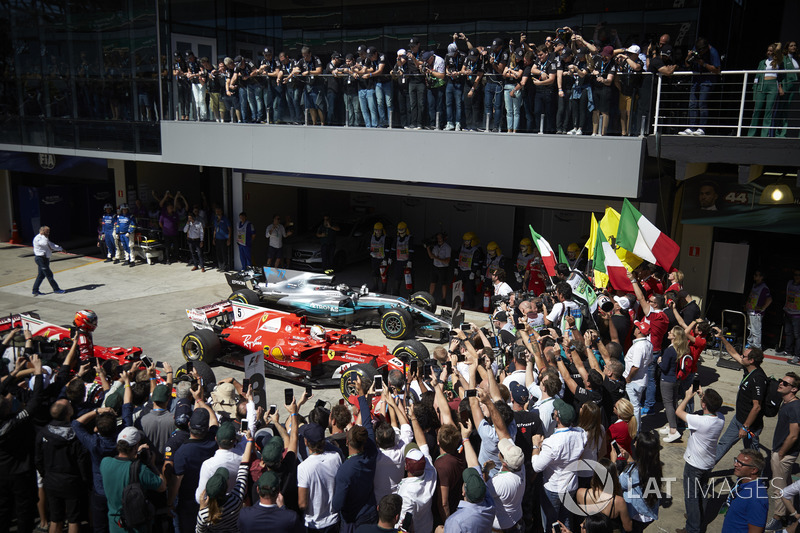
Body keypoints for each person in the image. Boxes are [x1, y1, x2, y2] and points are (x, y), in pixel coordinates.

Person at [0, 354, 44, 533]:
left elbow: (2, 387)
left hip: (2, 475)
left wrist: (16, 371)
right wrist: (39, 371)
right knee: (24, 514)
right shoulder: (15, 422)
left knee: (3, 513)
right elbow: (35, 400)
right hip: (21, 475)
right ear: (7, 408)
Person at [713, 329, 768, 463]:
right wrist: (722, 338)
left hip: (750, 425)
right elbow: (733, 353)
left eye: (744, 356)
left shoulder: (758, 379)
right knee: (723, 444)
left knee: (752, 456)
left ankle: (756, 480)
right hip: (738, 419)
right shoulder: (748, 369)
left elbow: (756, 407)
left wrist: (745, 427)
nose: (741, 357)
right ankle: (705, 470)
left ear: (751, 360)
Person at [531, 398, 585, 531]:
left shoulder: (552, 442)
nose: (553, 411)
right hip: (571, 486)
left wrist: (536, 446)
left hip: (553, 488)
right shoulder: (581, 434)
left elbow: (537, 466)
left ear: (558, 418)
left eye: (555, 411)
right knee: (566, 519)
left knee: (551, 525)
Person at [675, 386, 724, 533]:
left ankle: (692, 528)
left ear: (704, 405)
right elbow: (710, 408)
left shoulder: (699, 421)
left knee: (691, 497)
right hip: (708, 463)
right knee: (702, 492)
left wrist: (688, 397)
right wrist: (703, 395)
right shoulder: (720, 418)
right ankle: (696, 517)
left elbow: (679, 411)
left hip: (694, 465)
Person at [100, 426, 167, 532]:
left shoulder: (105, 463)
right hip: (136, 526)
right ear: (136, 446)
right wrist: (152, 465)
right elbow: (162, 486)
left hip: (115, 525)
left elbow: (121, 464)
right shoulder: (141, 470)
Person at [196, 431, 254, 533]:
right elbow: (243, 469)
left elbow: (200, 531)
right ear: (227, 487)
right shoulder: (236, 500)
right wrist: (249, 440)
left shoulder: (204, 514)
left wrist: (201, 508)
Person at [765, 373, 800, 531]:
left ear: (794, 389)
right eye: (781, 381)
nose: (780, 384)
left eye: (785, 383)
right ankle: (789, 512)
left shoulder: (794, 407)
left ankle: (778, 517)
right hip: (782, 450)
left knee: (779, 487)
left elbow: (793, 435)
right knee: (785, 483)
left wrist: (780, 453)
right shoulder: (787, 403)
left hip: (784, 453)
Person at [297, 423, 342, 532]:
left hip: (314, 525)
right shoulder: (336, 457)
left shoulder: (303, 467)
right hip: (334, 521)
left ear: (306, 442)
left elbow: (302, 504)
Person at [619, 430, 663, 531]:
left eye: (636, 441)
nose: (634, 443)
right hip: (649, 512)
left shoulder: (633, 472)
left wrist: (613, 461)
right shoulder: (656, 466)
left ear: (640, 450)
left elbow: (620, 483)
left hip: (636, 514)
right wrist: (630, 460)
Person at [237, 471, 305, 532]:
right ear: (278, 491)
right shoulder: (290, 517)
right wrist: (283, 508)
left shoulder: (244, 515)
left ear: (257, 490)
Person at [679, 37, 721, 136]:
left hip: (707, 80)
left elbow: (717, 69)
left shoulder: (713, 52)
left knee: (702, 103)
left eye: (700, 51)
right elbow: (687, 64)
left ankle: (702, 128)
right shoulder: (695, 49)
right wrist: (689, 57)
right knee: (692, 104)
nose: (698, 53)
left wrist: (703, 63)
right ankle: (691, 127)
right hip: (696, 80)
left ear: (705, 49)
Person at [720, 449, 769, 533]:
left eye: (740, 464)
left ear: (754, 470)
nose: (735, 464)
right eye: (736, 460)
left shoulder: (756, 498)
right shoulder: (742, 481)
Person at [658, 326, 688, 443]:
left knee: (668, 405)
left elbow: (664, 368)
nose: (668, 332)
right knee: (674, 402)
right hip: (676, 380)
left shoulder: (670, 350)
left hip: (667, 380)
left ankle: (673, 430)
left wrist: (659, 361)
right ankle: (672, 424)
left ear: (675, 336)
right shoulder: (681, 348)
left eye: (671, 332)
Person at [748, 43, 784, 137]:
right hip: (762, 85)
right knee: (757, 110)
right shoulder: (762, 62)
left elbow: (779, 51)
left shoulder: (779, 61)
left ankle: (764, 135)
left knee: (768, 111)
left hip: (772, 85)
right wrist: (754, 90)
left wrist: (778, 46)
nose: (768, 52)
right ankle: (751, 134)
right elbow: (757, 77)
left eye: (771, 51)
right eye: (768, 50)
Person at [624, 321, 654, 430]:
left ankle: (635, 430)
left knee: (634, 407)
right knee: (635, 406)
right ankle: (635, 428)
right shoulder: (649, 344)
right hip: (641, 379)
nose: (634, 329)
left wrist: (628, 378)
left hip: (634, 381)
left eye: (636, 327)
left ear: (639, 331)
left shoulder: (639, 346)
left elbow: (635, 366)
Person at [32, 226, 66, 296]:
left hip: (45, 259)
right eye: (47, 231)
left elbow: (51, 245)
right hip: (40, 259)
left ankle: (35, 290)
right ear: (42, 231)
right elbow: (44, 244)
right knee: (49, 275)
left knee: (41, 275)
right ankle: (56, 289)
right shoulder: (38, 238)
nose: (48, 233)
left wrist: (60, 248)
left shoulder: (45, 238)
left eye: (49, 232)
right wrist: (44, 236)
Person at [745, 270, 772, 349]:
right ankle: (750, 344)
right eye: (755, 274)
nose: (754, 276)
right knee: (750, 328)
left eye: (757, 275)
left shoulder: (764, 287)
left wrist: (762, 308)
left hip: (756, 313)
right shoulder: (754, 285)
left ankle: (757, 348)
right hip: (750, 311)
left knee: (756, 331)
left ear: (761, 277)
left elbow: (769, 299)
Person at [781, 269, 800, 364]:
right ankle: (787, 351)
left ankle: (797, 355)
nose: (797, 277)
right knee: (788, 333)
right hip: (788, 311)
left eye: (799, 275)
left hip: (797, 314)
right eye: (795, 274)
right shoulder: (790, 283)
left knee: (797, 335)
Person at [427, 233, 451, 305]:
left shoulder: (447, 247)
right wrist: (428, 248)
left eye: (440, 238)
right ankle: (429, 297)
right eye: (437, 238)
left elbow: (447, 260)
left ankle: (444, 299)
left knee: (443, 284)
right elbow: (431, 256)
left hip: (443, 268)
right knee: (432, 282)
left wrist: (437, 258)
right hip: (435, 266)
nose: (438, 239)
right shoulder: (435, 246)